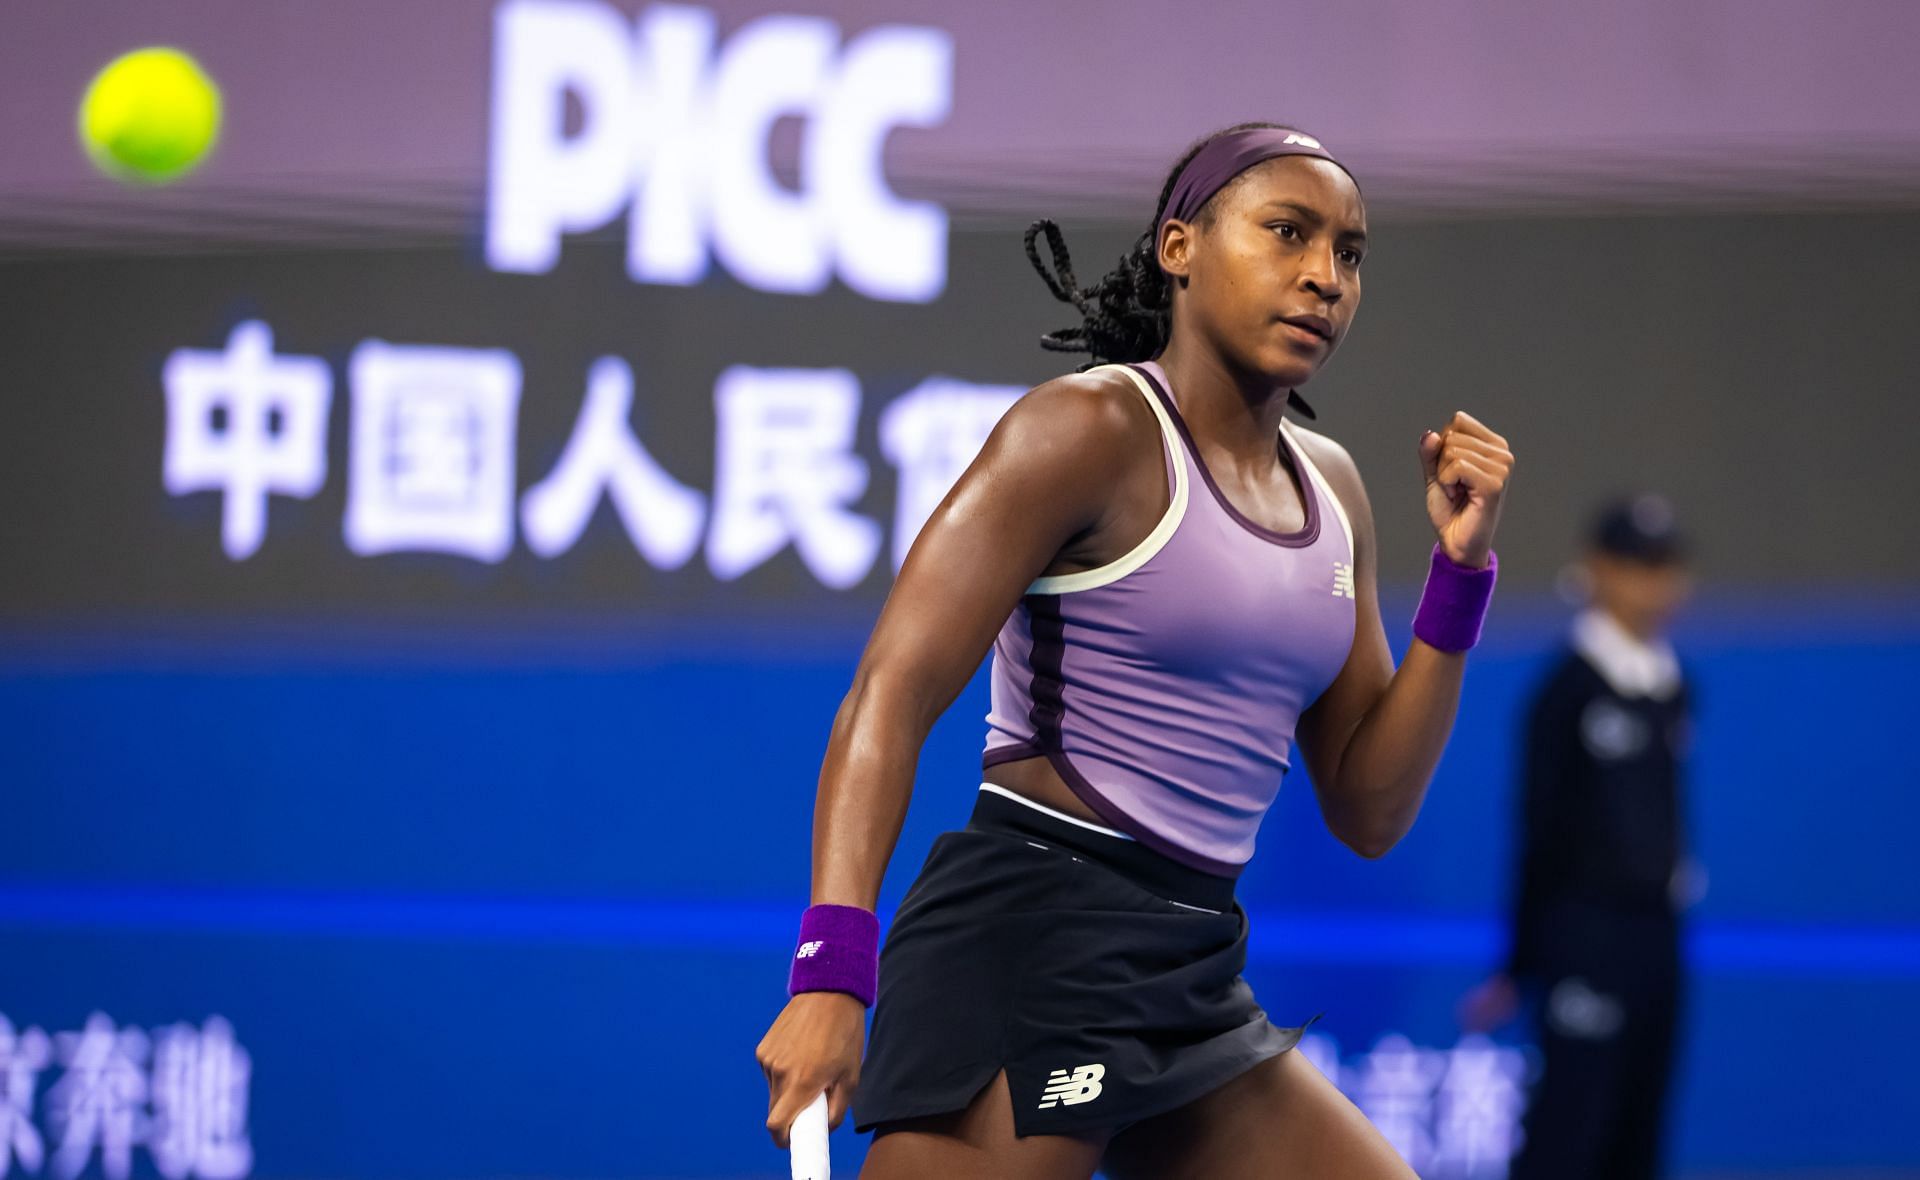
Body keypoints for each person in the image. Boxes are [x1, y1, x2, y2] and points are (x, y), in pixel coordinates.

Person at [756, 122, 1515, 1178]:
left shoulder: (1334, 486)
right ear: (1179, 248)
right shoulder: (1087, 432)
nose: (1323, 276)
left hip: (1192, 962)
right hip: (1032, 942)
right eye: (1286, 232)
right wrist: (832, 971)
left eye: (1348, 252)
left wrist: (1460, 579)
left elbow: (1369, 808)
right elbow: (890, 694)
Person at [1460, 494, 1696, 1180]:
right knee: (1570, 1128)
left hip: (1658, 940)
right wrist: (1520, 961)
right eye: (1636, 566)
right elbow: (1538, 832)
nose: (1654, 585)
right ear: (1597, 569)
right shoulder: (1565, 691)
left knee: (1638, 1130)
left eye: (1665, 567)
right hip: (1584, 937)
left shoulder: (1672, 686)